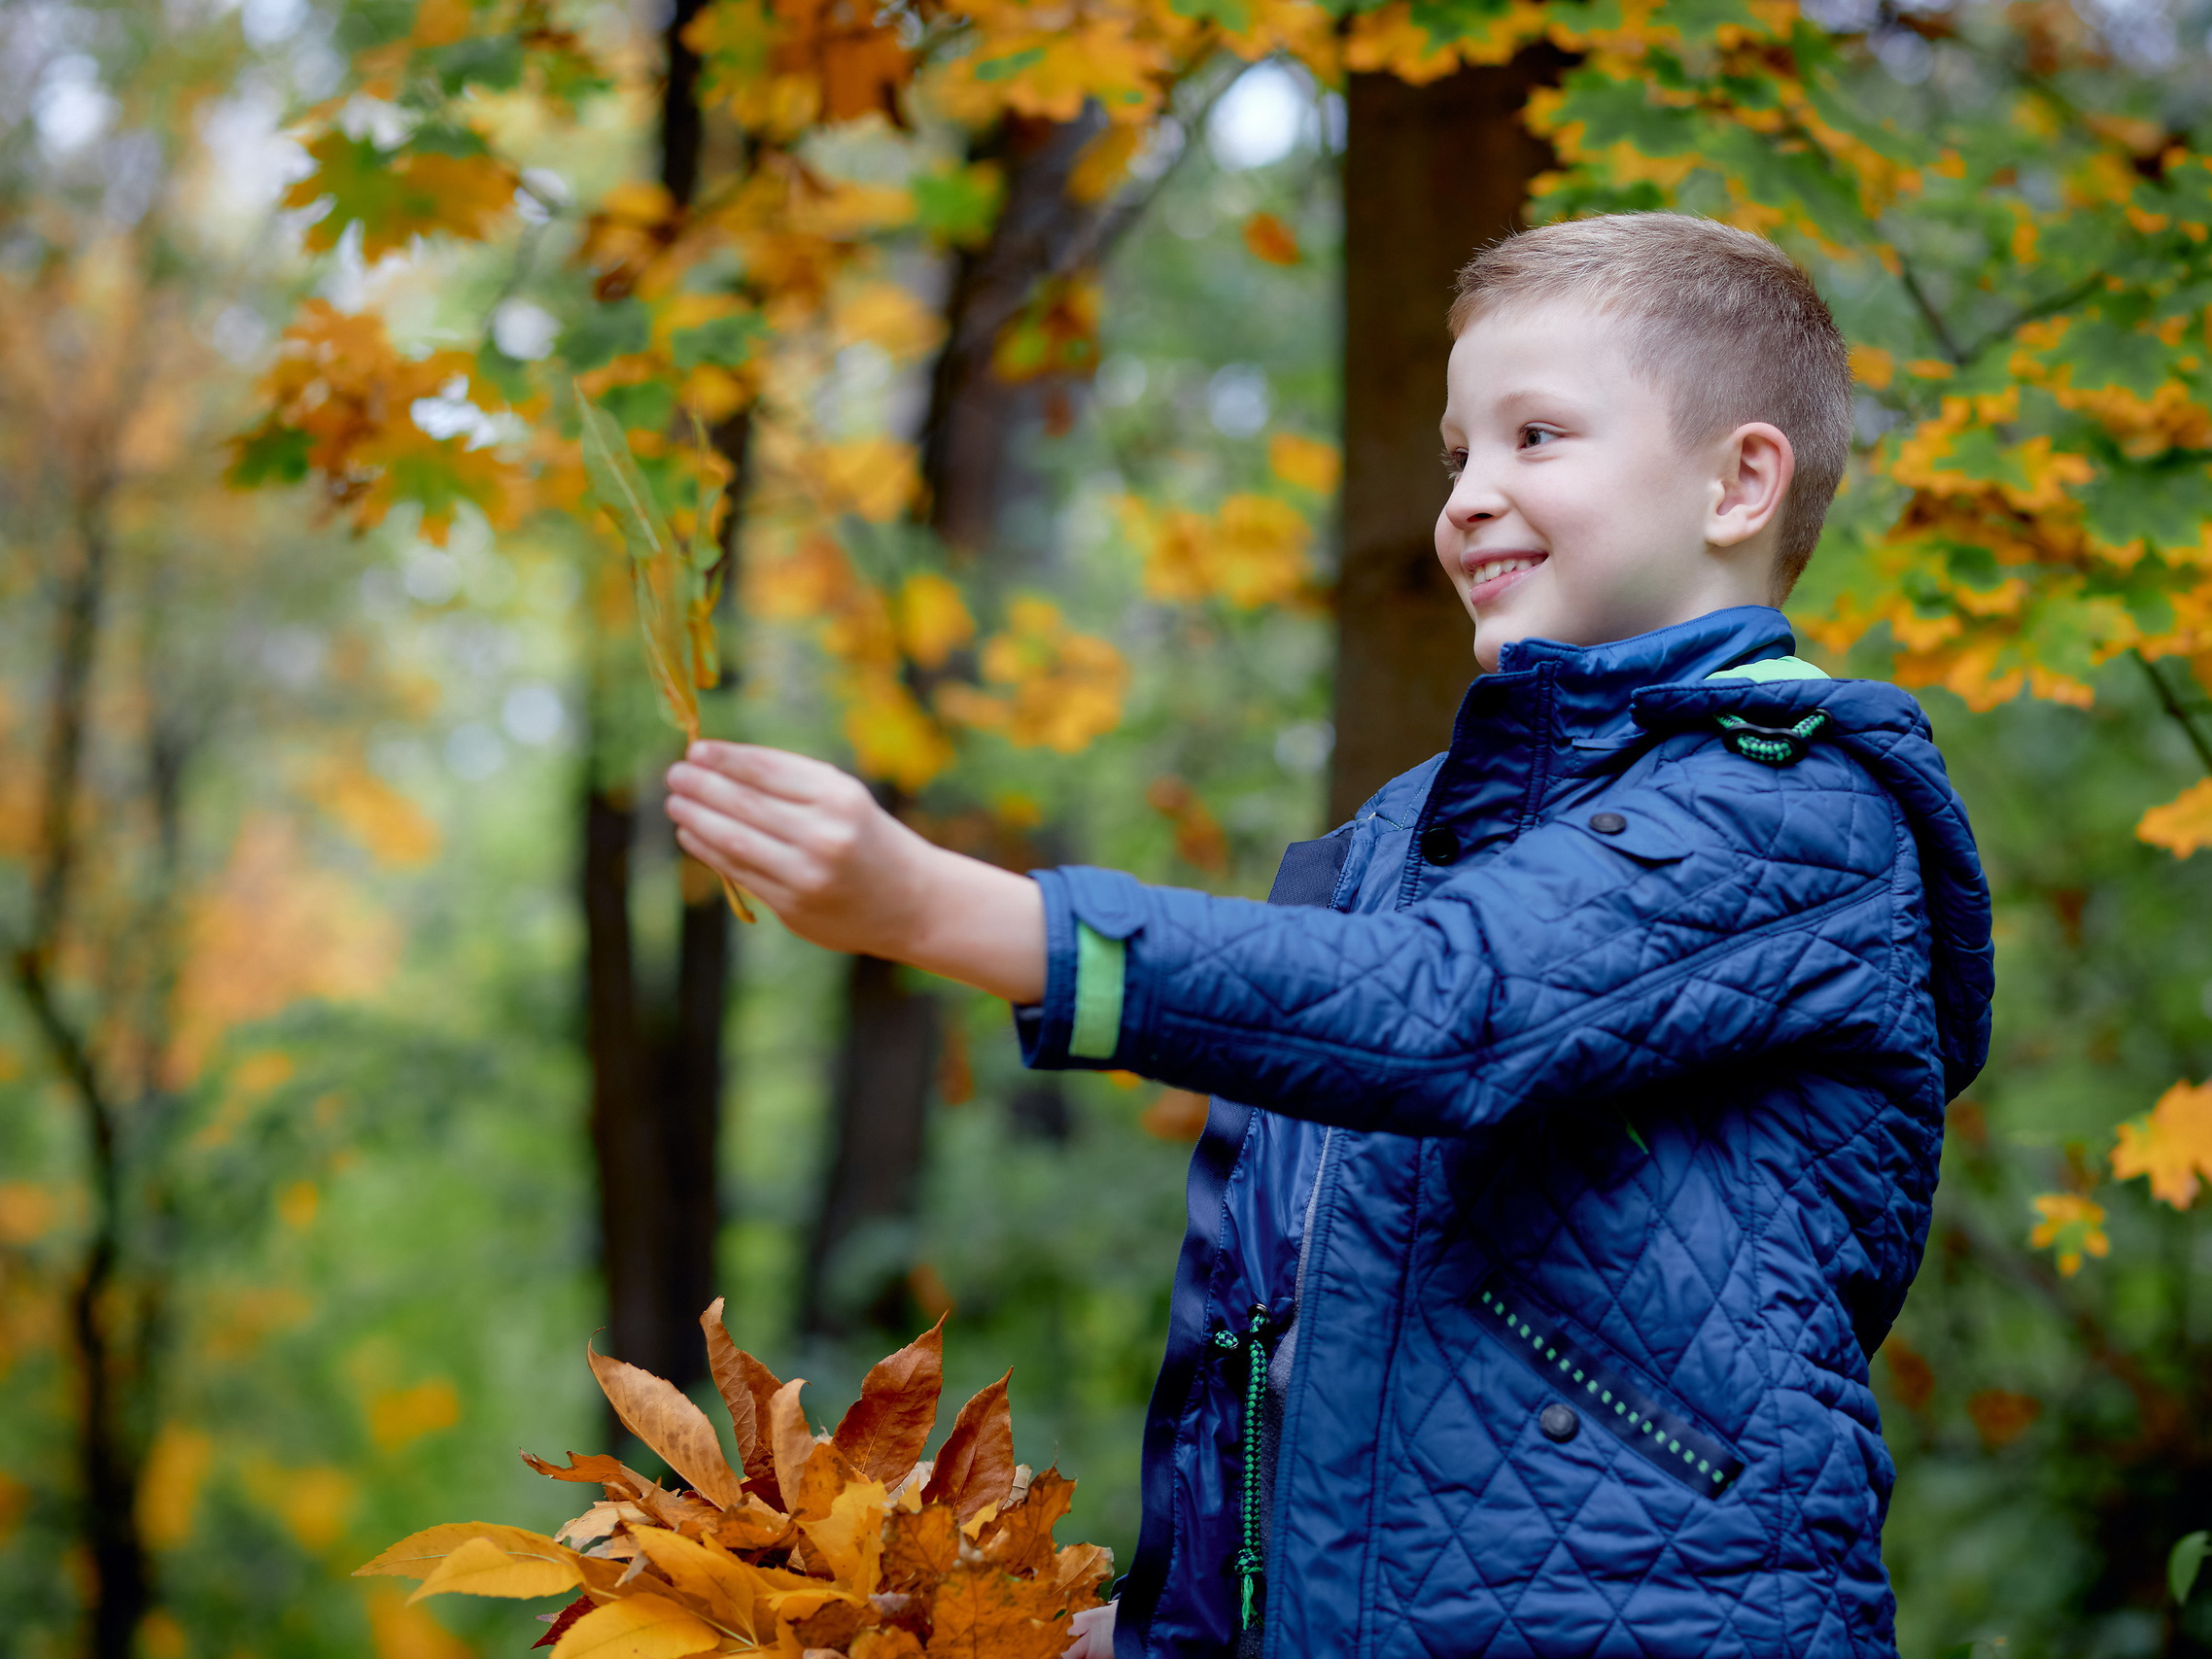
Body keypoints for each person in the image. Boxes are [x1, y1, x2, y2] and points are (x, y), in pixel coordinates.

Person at [665, 211, 1993, 1658]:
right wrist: (1143, 1636)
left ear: (1740, 481)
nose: (1472, 497)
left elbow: (1446, 1015)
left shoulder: (1801, 810)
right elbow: (1281, 1332)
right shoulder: (1393, 844)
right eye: (1456, 455)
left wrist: (933, 906)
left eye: (1536, 438)